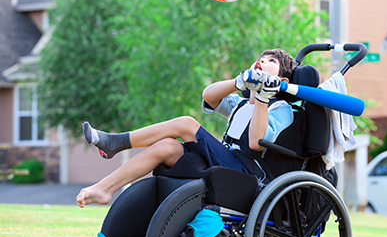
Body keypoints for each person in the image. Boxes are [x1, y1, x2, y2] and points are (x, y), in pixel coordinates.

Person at [76, 49, 296, 208]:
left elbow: (255, 142)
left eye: (269, 61)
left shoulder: (281, 109)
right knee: (167, 147)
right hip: (224, 162)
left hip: (246, 176)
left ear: (282, 79)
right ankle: (105, 188)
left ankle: (116, 142)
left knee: (186, 124)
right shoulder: (239, 104)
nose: (260, 61)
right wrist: (238, 82)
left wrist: (264, 98)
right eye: (259, 58)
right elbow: (209, 95)